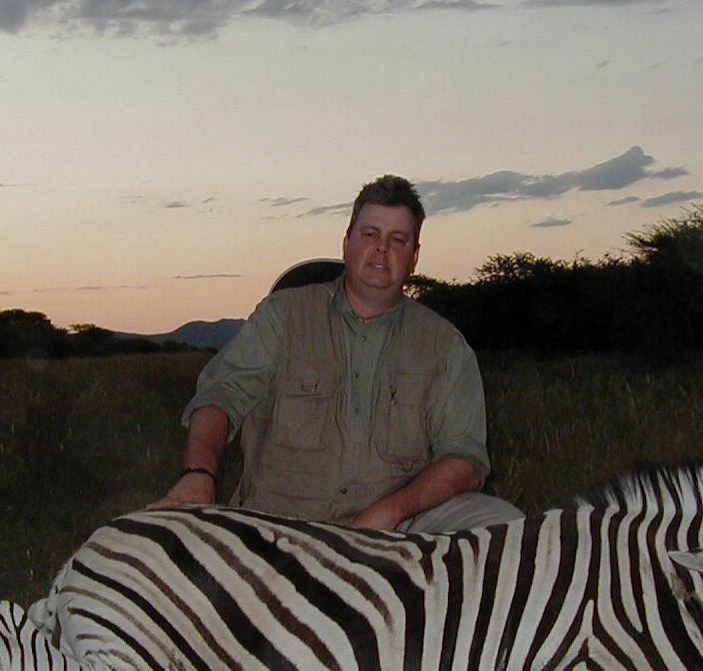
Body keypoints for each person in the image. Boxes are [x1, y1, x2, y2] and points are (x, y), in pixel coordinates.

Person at [151, 174, 522, 532]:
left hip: (401, 526)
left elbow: (465, 459)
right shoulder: (283, 316)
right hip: (281, 522)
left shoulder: (445, 345)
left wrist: (391, 511)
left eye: (398, 239)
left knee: (507, 524)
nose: (382, 249)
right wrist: (198, 476)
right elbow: (220, 396)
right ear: (347, 243)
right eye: (371, 234)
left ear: (414, 257)